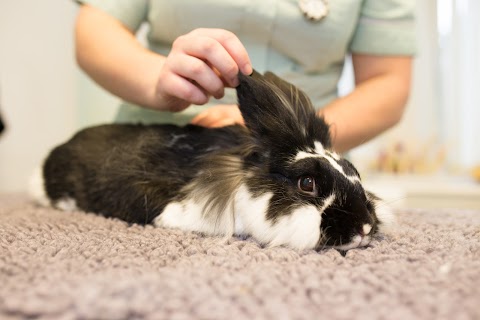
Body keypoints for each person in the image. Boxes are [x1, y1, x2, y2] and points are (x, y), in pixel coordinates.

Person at [73, 0, 415, 153]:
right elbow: (98, 28)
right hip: (155, 153)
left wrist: (289, 134)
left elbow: (388, 82)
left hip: (299, 177)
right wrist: (156, 80)